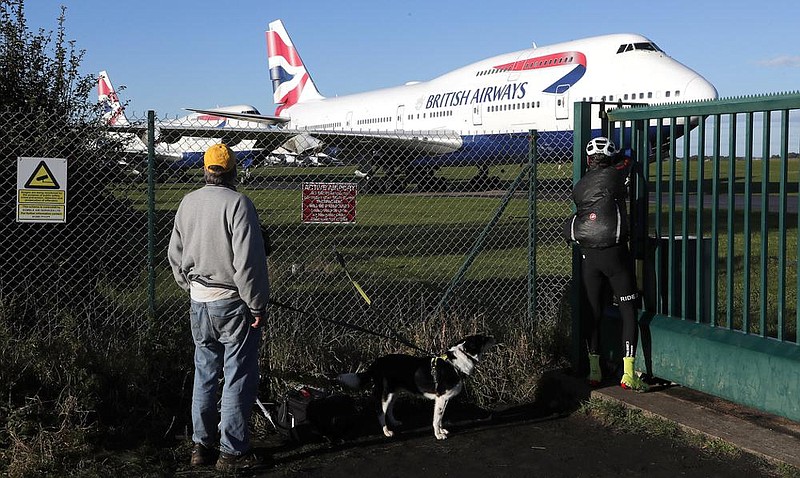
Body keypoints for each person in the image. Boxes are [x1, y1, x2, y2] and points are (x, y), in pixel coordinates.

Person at [168, 143, 271, 471]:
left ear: (205, 169)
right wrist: (256, 305)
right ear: (233, 170)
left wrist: (190, 286)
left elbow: (175, 253)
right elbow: (248, 262)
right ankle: (232, 452)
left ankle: (201, 446)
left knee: (205, 372)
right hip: (231, 302)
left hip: (198, 300)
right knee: (237, 374)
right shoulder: (239, 204)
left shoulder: (188, 202)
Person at [565, 136, 648, 392]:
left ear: (588, 160)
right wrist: (621, 155)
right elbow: (628, 162)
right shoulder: (615, 175)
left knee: (594, 311)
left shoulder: (579, 186)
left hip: (589, 255)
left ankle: (594, 371)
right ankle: (628, 373)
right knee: (627, 310)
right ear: (608, 158)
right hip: (615, 254)